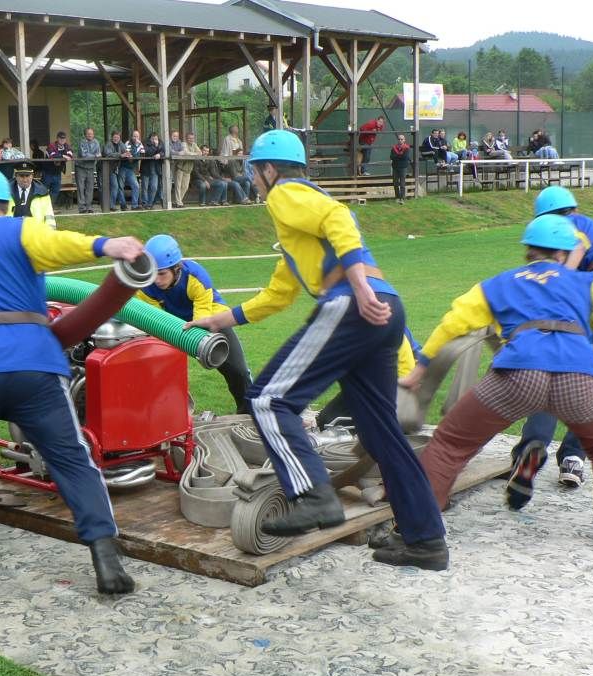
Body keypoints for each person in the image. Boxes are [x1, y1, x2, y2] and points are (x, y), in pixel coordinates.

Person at [185, 129, 449, 571]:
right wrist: (220, 319)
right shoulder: (299, 233)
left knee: (267, 400)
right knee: (381, 433)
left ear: (270, 170)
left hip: (352, 305)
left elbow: (338, 216)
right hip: (385, 309)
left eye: (254, 173)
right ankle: (426, 541)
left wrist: (358, 286)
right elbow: (278, 294)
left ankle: (313, 497)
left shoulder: (286, 194)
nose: (254, 182)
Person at [0, 165, 143, 593]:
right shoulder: (19, 229)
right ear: (6, 203)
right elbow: (57, 245)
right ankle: (107, 563)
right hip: (34, 363)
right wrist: (105, 245)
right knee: (72, 460)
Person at [401, 215, 593, 545]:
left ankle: (418, 525)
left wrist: (420, 370)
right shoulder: (589, 284)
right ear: (564, 253)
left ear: (528, 250)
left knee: (451, 443)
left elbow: (452, 325)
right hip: (580, 378)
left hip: (516, 375)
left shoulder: (497, 283)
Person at [506, 186, 593, 505]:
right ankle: (573, 456)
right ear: (574, 206)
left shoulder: (570, 228)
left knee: (555, 373)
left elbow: (575, 251)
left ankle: (532, 448)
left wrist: (553, 288)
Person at [140, 234, 252, 412]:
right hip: (173, 323)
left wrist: (199, 346)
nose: (157, 280)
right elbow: (156, 318)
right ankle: (175, 416)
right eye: (152, 273)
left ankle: (249, 412)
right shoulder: (146, 286)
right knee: (160, 369)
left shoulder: (196, 276)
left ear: (176, 268)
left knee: (238, 371)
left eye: (162, 273)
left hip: (211, 318)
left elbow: (202, 319)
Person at [7, 162, 55, 228]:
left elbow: (49, 217)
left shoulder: (43, 193)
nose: (25, 180)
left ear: (32, 176)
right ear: (16, 176)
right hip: (11, 231)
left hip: (36, 232)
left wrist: (49, 233)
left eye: (27, 176)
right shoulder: (5, 192)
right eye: (21, 176)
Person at [171, 131, 200, 208]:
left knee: (185, 187)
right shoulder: (183, 144)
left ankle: (177, 201)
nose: (191, 139)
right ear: (186, 138)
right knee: (178, 186)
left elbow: (200, 153)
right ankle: (179, 203)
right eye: (189, 138)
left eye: (192, 138)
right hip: (180, 168)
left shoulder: (194, 145)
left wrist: (193, 154)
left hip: (188, 169)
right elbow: (186, 152)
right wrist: (194, 154)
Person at [75, 127, 100, 214]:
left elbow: (99, 154)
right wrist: (94, 156)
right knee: (81, 188)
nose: (90, 135)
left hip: (90, 168)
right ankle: (82, 208)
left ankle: (89, 207)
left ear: (93, 134)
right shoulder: (82, 142)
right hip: (80, 167)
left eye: (91, 133)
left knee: (90, 188)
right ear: (85, 135)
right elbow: (84, 155)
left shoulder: (96, 142)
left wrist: (95, 155)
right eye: (88, 133)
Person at [44, 131, 72, 205]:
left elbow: (70, 155)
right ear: (57, 138)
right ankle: (43, 206)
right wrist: (63, 156)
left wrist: (63, 156)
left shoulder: (66, 146)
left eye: (64, 138)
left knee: (55, 191)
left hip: (57, 173)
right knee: (43, 190)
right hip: (48, 172)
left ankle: (50, 207)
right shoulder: (51, 145)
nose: (62, 140)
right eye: (60, 138)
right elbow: (52, 156)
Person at [141, 132, 164, 209]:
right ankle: (144, 204)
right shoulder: (145, 143)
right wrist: (156, 147)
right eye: (153, 139)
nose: (154, 140)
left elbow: (164, 152)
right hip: (145, 169)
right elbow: (148, 152)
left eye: (156, 139)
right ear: (150, 138)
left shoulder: (160, 143)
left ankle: (150, 204)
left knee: (154, 187)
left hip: (155, 169)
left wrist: (159, 154)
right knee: (145, 187)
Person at [390, 133, 412, 204]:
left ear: (404, 140)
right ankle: (397, 197)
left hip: (403, 167)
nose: (400, 140)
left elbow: (405, 157)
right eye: (399, 139)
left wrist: (397, 156)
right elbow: (391, 157)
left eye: (401, 139)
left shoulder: (407, 148)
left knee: (402, 184)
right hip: (395, 167)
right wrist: (400, 156)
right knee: (395, 183)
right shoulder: (394, 147)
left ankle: (402, 198)